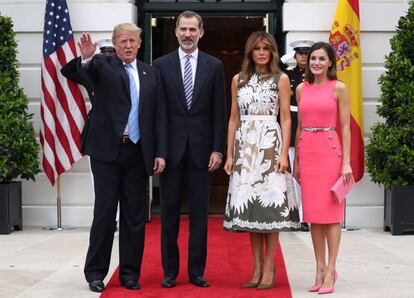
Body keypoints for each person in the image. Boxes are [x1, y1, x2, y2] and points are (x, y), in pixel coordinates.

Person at [77, 23, 167, 292]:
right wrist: (86, 58)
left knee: (134, 217)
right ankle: (95, 272)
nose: (128, 46)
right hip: (107, 152)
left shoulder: (151, 73)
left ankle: (129, 273)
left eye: (133, 41)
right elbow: (85, 73)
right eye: (123, 41)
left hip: (138, 153)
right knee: (105, 213)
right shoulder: (103, 66)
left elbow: (159, 115)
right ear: (115, 44)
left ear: (140, 44)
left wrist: (160, 152)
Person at [152, 10, 226, 289]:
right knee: (168, 214)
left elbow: (219, 113)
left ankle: (196, 271)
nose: (187, 34)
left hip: (201, 152)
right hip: (169, 153)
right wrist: (159, 151)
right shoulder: (160, 65)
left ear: (201, 32)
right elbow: (158, 113)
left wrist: (218, 149)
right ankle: (169, 271)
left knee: (199, 215)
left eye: (192, 30)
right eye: (183, 29)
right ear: (175, 32)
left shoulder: (214, 65)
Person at [223, 31, 300, 290]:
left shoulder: (281, 78)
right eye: (257, 48)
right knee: (251, 210)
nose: (262, 53)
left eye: (266, 48)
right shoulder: (238, 80)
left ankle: (269, 266)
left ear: (272, 52)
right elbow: (233, 118)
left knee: (270, 209)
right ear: (250, 52)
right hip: (245, 148)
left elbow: (286, 118)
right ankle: (256, 266)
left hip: (270, 144)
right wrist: (230, 154)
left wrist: (283, 154)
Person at [293, 42, 353, 294]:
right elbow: (299, 125)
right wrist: (296, 159)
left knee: (331, 217)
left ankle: (331, 270)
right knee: (314, 217)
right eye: (313, 58)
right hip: (307, 152)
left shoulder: (339, 88)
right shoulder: (300, 89)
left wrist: (346, 162)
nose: (316, 62)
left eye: (321, 58)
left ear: (330, 62)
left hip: (330, 152)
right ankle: (318, 268)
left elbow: (346, 128)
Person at [281, 40, 314, 232]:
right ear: (295, 55)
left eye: (306, 53)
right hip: (292, 124)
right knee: (291, 174)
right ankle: (293, 215)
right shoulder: (288, 75)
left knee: (306, 175)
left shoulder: (315, 76)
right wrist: (286, 59)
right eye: (299, 53)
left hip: (309, 123)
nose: (303, 56)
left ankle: (304, 216)